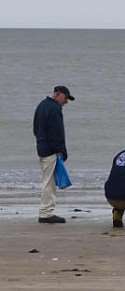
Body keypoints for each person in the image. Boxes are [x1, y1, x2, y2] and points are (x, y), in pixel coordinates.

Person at [33, 86, 75, 224]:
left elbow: (36, 128)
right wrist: (61, 151)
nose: (66, 102)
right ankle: (45, 213)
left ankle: (46, 212)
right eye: (65, 98)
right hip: (50, 150)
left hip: (43, 147)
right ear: (58, 94)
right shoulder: (54, 108)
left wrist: (41, 142)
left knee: (48, 181)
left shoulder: (42, 105)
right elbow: (56, 133)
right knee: (49, 182)